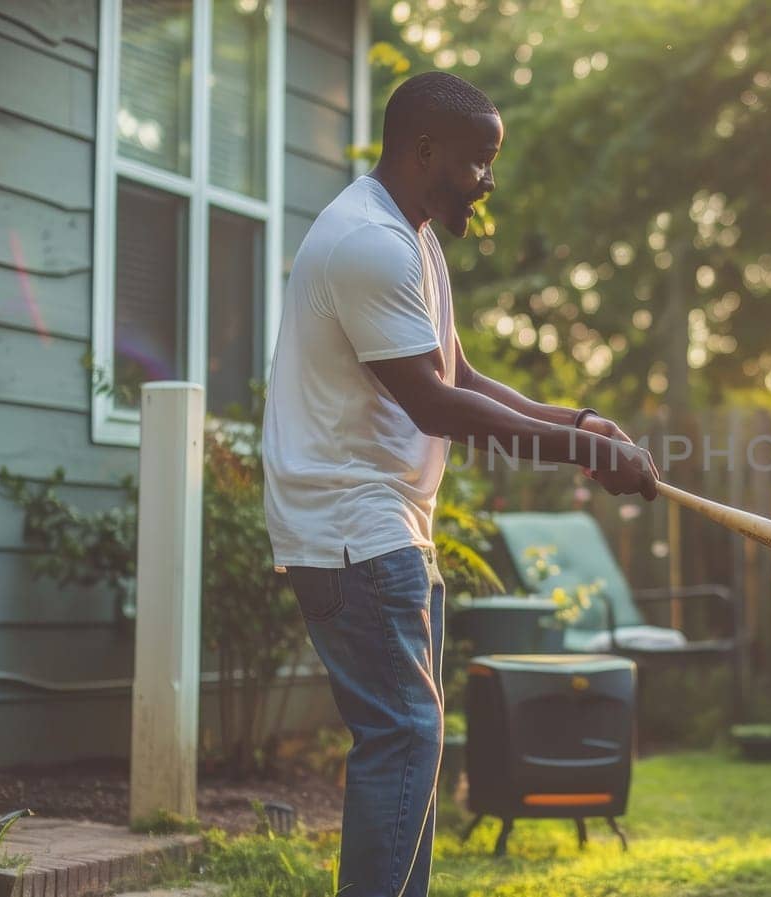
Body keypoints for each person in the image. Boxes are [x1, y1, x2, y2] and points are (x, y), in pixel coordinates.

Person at [261, 71, 658, 897]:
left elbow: (461, 372)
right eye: (479, 161)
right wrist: (584, 456)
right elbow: (435, 404)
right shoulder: (367, 241)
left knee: (414, 736)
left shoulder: (413, 238)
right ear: (424, 149)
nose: (487, 181)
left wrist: (581, 422)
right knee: (404, 734)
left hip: (389, 526)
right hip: (351, 527)